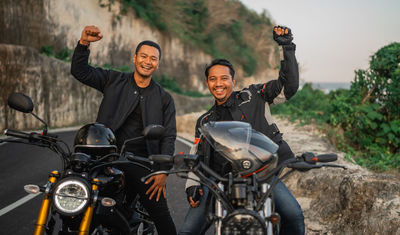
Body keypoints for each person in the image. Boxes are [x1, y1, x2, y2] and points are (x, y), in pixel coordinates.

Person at [179, 26, 304, 235]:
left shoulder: (255, 95)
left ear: (233, 81)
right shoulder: (205, 121)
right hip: (219, 183)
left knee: (294, 216)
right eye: (213, 79)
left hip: (262, 175)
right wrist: (191, 186)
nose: (219, 83)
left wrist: (286, 47)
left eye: (224, 78)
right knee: (187, 231)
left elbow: (288, 86)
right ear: (208, 83)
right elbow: (195, 155)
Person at [71, 25, 177, 234]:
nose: (148, 61)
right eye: (144, 56)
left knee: (161, 215)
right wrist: (84, 44)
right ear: (135, 58)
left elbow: (169, 135)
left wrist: (162, 170)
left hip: (139, 162)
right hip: (102, 157)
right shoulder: (114, 80)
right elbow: (80, 71)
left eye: (153, 58)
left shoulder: (164, 98)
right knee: (77, 202)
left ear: (157, 64)